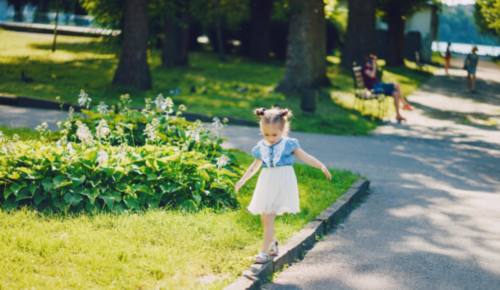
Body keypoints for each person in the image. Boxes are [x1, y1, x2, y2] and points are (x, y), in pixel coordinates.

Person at [235, 107, 332, 264]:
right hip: (266, 182)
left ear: (283, 130)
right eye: (266, 134)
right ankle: (272, 245)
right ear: (261, 130)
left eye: (274, 134)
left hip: (282, 182)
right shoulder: (261, 146)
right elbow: (254, 166)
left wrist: (320, 165)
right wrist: (242, 180)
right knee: (265, 218)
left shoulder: (289, 144)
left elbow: (305, 157)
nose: (271, 138)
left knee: (269, 216)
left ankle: (263, 252)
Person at [362, 53, 413, 123]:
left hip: (379, 85)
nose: (371, 63)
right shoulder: (365, 68)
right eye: (370, 61)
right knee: (396, 85)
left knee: (395, 93)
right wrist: (374, 65)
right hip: (375, 88)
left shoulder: (369, 67)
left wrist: (374, 64)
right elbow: (372, 75)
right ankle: (404, 104)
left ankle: (398, 115)